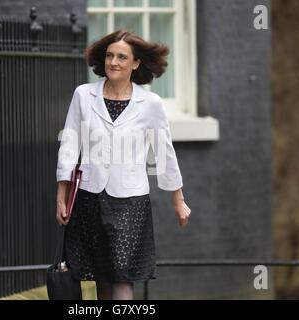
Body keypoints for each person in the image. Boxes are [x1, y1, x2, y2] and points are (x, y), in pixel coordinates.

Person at [55, 30, 192, 300]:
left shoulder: (150, 103)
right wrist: (62, 195)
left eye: (121, 57)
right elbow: (69, 145)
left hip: (130, 201)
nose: (113, 62)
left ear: (136, 63)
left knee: (122, 276)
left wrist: (178, 199)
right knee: (101, 276)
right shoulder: (83, 95)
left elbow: (163, 152)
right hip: (88, 197)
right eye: (109, 56)